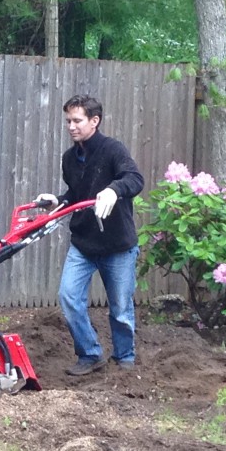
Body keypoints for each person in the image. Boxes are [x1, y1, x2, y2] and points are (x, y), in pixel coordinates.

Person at [36, 94, 144, 376]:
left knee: (120, 309)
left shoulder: (112, 150)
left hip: (117, 246)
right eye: (68, 121)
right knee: (69, 298)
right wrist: (57, 201)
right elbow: (76, 195)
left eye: (77, 120)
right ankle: (90, 353)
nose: (71, 126)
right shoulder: (70, 158)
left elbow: (134, 179)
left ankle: (124, 359)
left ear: (94, 121)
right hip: (84, 245)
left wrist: (113, 189)